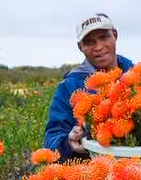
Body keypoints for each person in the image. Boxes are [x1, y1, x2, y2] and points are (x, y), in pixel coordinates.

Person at [43, 13, 133, 161]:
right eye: (90, 42)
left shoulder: (137, 76)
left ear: (115, 36)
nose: (98, 47)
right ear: (80, 47)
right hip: (94, 172)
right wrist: (69, 143)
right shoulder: (69, 86)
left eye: (104, 37)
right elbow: (52, 139)